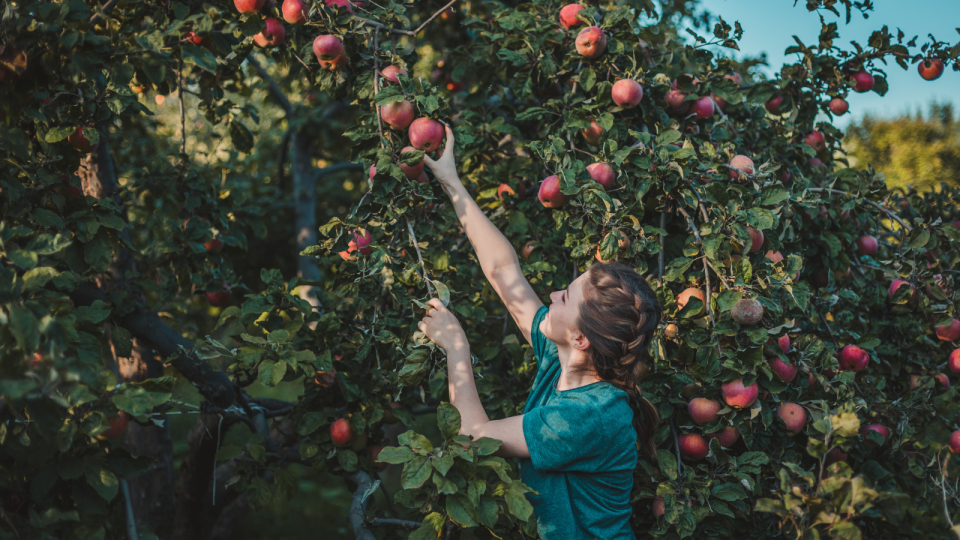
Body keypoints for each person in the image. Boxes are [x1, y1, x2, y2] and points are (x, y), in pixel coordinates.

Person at [416, 124, 661, 540]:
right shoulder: (561, 357)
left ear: (581, 339)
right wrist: (450, 180)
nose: (550, 294)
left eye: (564, 297)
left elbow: (474, 437)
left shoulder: (589, 417)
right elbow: (503, 271)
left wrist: (456, 348)